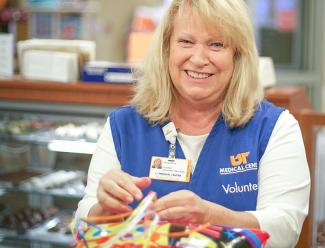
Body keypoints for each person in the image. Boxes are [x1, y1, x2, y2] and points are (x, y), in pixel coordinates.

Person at [75, 0, 310, 247]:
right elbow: (82, 227)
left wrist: (213, 218)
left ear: (237, 56)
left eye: (216, 44)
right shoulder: (123, 126)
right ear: (166, 49)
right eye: (186, 41)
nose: (198, 59)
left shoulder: (275, 128)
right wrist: (103, 208)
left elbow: (284, 231)